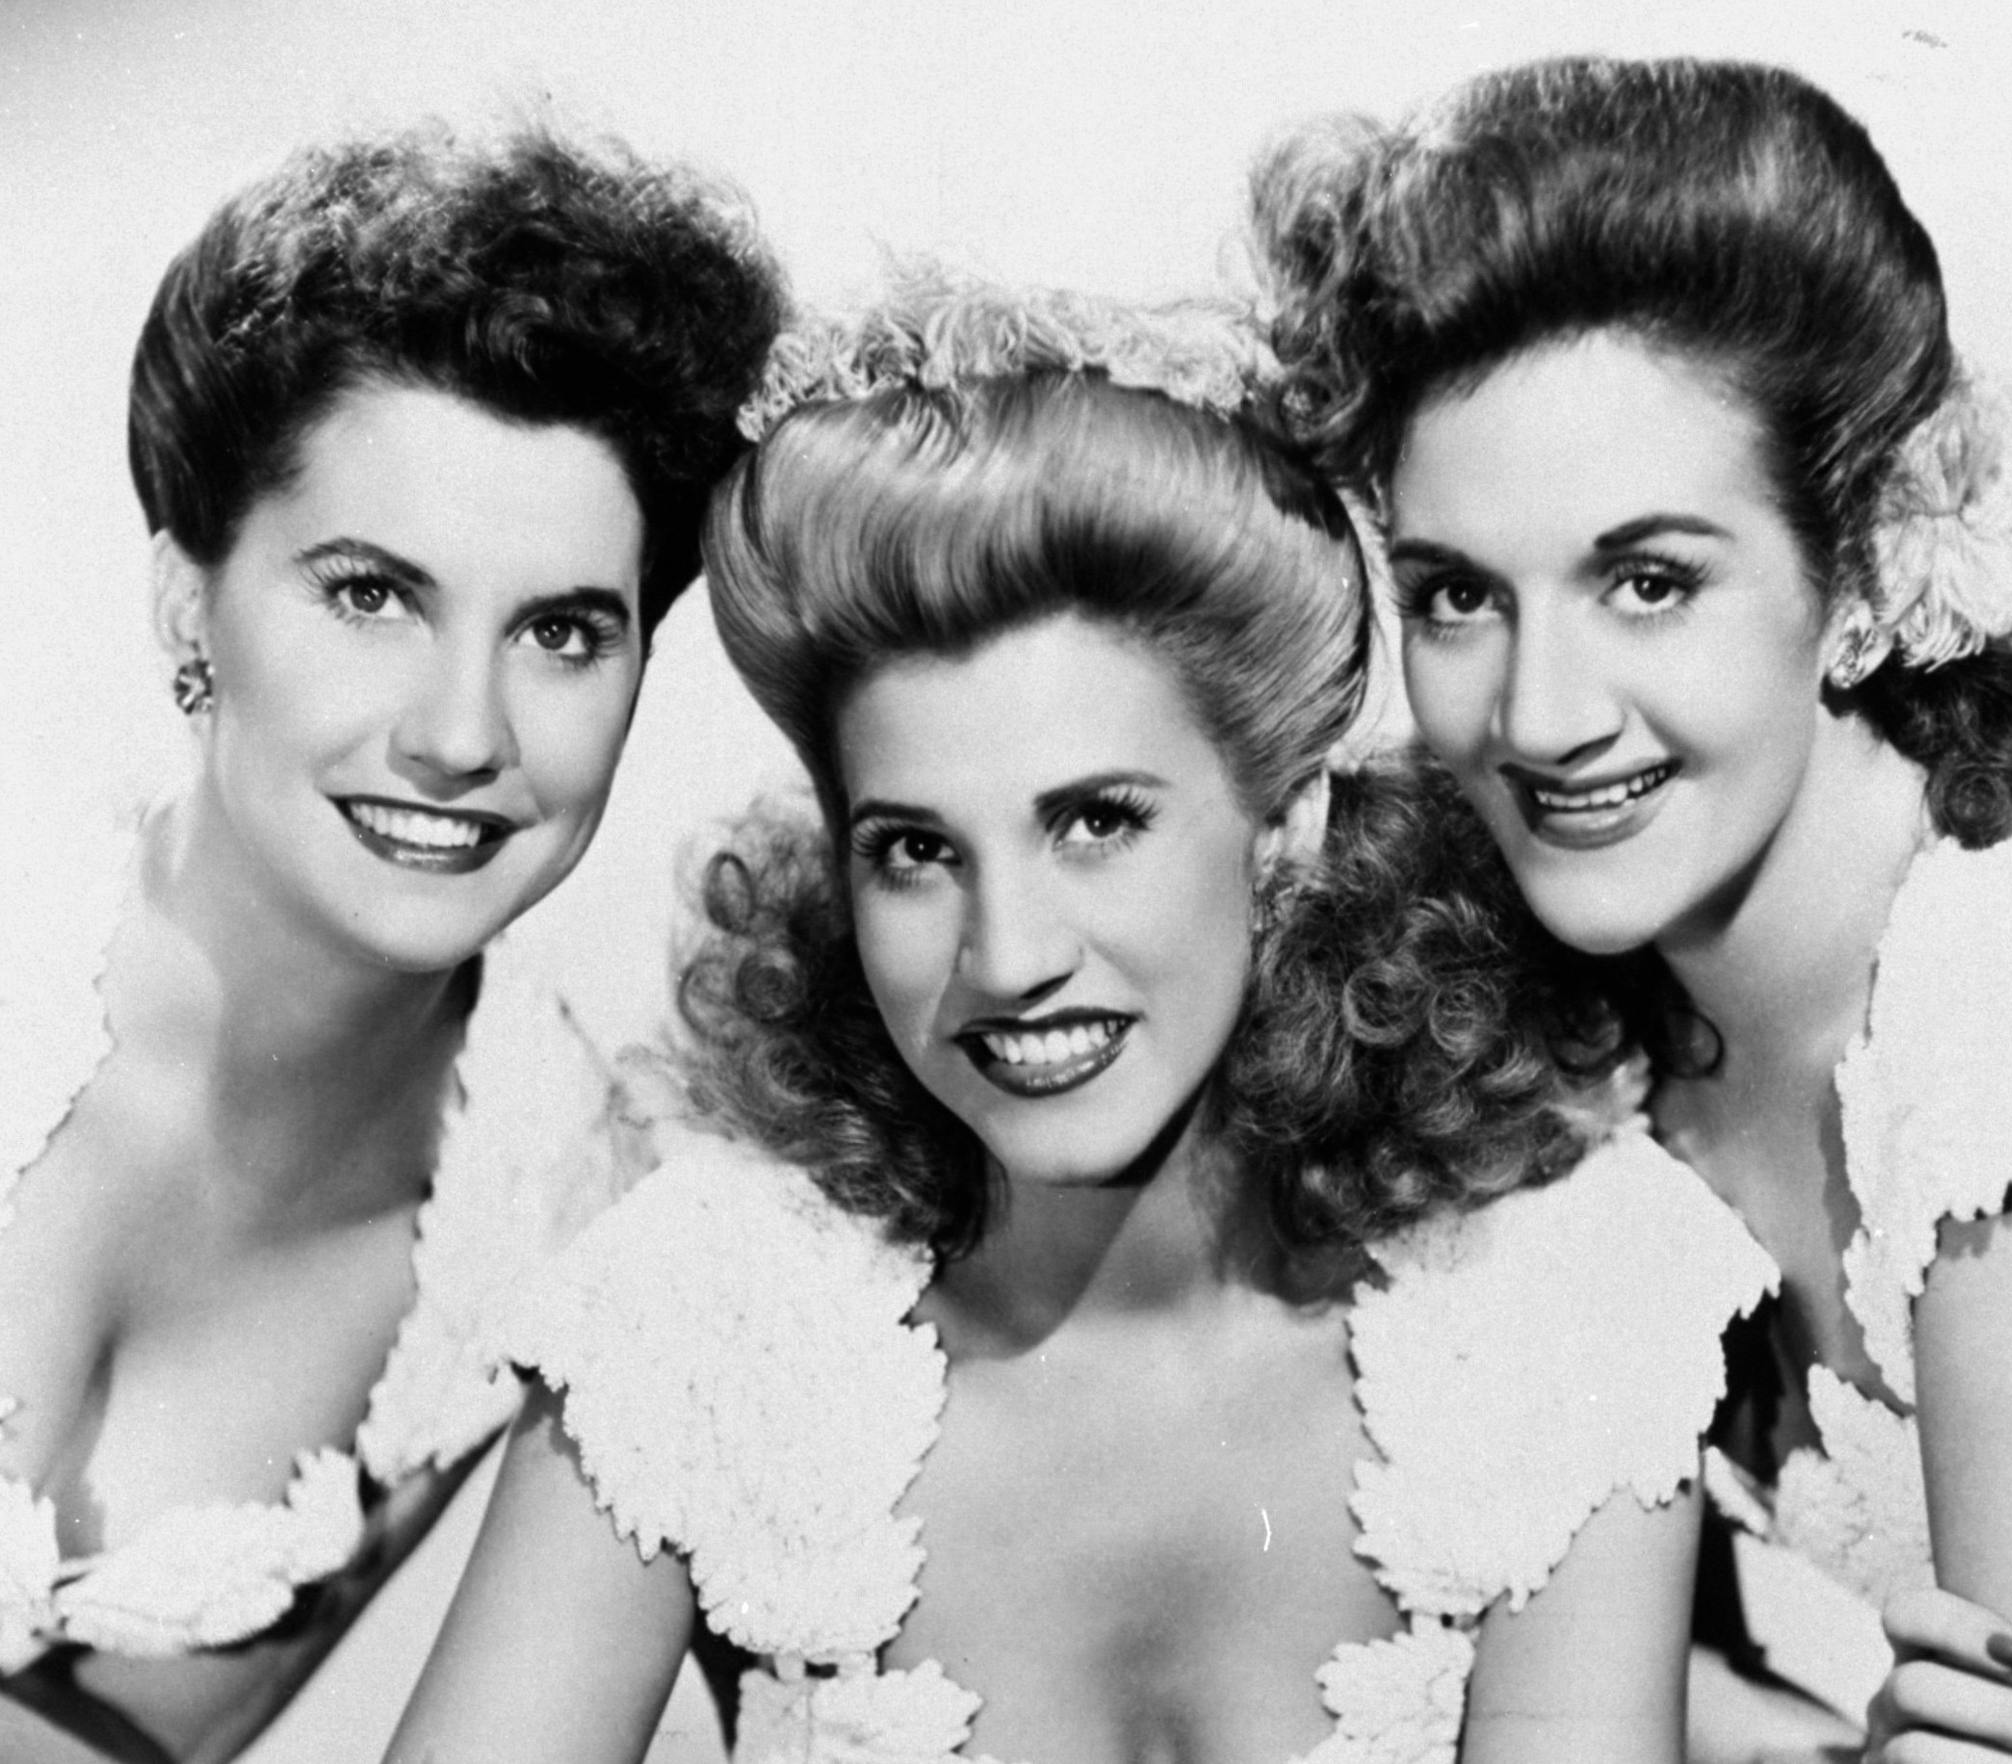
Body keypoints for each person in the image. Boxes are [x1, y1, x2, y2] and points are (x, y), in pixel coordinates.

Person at [386, 280, 1774, 1764]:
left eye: (1097, 822)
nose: (1009, 955)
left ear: (1288, 825)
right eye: (916, 851)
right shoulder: (700, 1318)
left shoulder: (1559, 1297)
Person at [1252, 53, 2012, 1763]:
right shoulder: (1603, 1029)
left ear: (1858, 565)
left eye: (1649, 582)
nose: (1539, 718)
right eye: (1457, 598)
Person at [0, 123, 784, 1762]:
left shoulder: (558, 1208)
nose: (460, 734)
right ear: (186, 601)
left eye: (561, 632)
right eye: (371, 595)